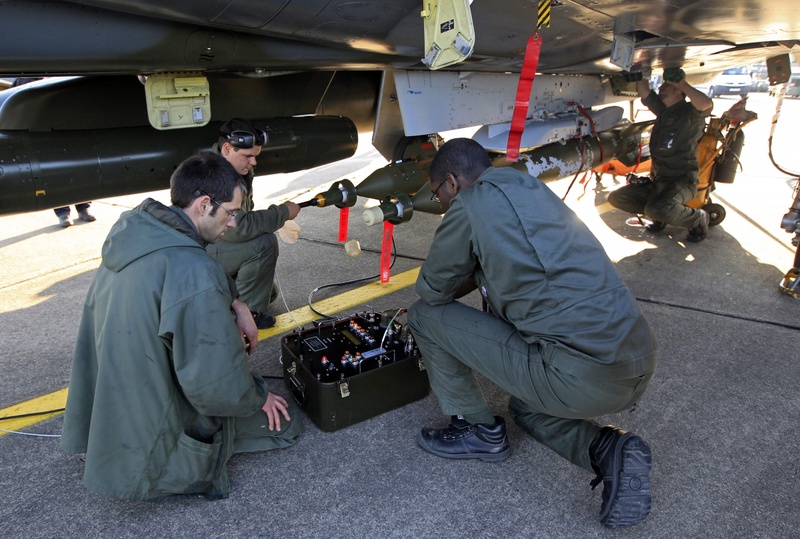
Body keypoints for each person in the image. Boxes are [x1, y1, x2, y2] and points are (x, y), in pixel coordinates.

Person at [408, 138, 658, 528]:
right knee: (526, 408)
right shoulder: (529, 185)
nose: (439, 202)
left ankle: (476, 430)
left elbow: (433, 290)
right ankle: (610, 449)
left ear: (453, 182)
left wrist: (470, 265)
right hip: (635, 360)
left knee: (423, 316)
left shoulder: (469, 206)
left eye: (437, 192)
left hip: (578, 374)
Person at [60, 152, 303, 501]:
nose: (233, 223)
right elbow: (214, 384)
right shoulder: (193, 272)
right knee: (286, 425)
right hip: (152, 419)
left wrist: (234, 301)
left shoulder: (140, 231)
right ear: (205, 204)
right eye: (231, 212)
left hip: (116, 396)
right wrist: (259, 394)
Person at [206, 118, 302, 329]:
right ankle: (248, 314)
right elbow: (239, 227)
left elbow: (243, 213)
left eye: (255, 156)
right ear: (227, 148)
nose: (254, 162)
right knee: (264, 244)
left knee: (269, 291)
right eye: (248, 156)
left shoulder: (234, 169)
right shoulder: (214, 176)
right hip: (199, 254)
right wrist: (283, 212)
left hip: (215, 244)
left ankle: (226, 297)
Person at [607, 67, 714, 242]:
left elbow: (705, 104)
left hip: (682, 180)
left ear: (679, 91)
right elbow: (645, 92)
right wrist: (640, 72)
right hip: (659, 179)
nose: (662, 87)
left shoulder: (689, 112)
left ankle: (697, 218)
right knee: (618, 198)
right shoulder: (664, 111)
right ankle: (660, 213)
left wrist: (681, 82)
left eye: (667, 85)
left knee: (657, 208)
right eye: (663, 84)